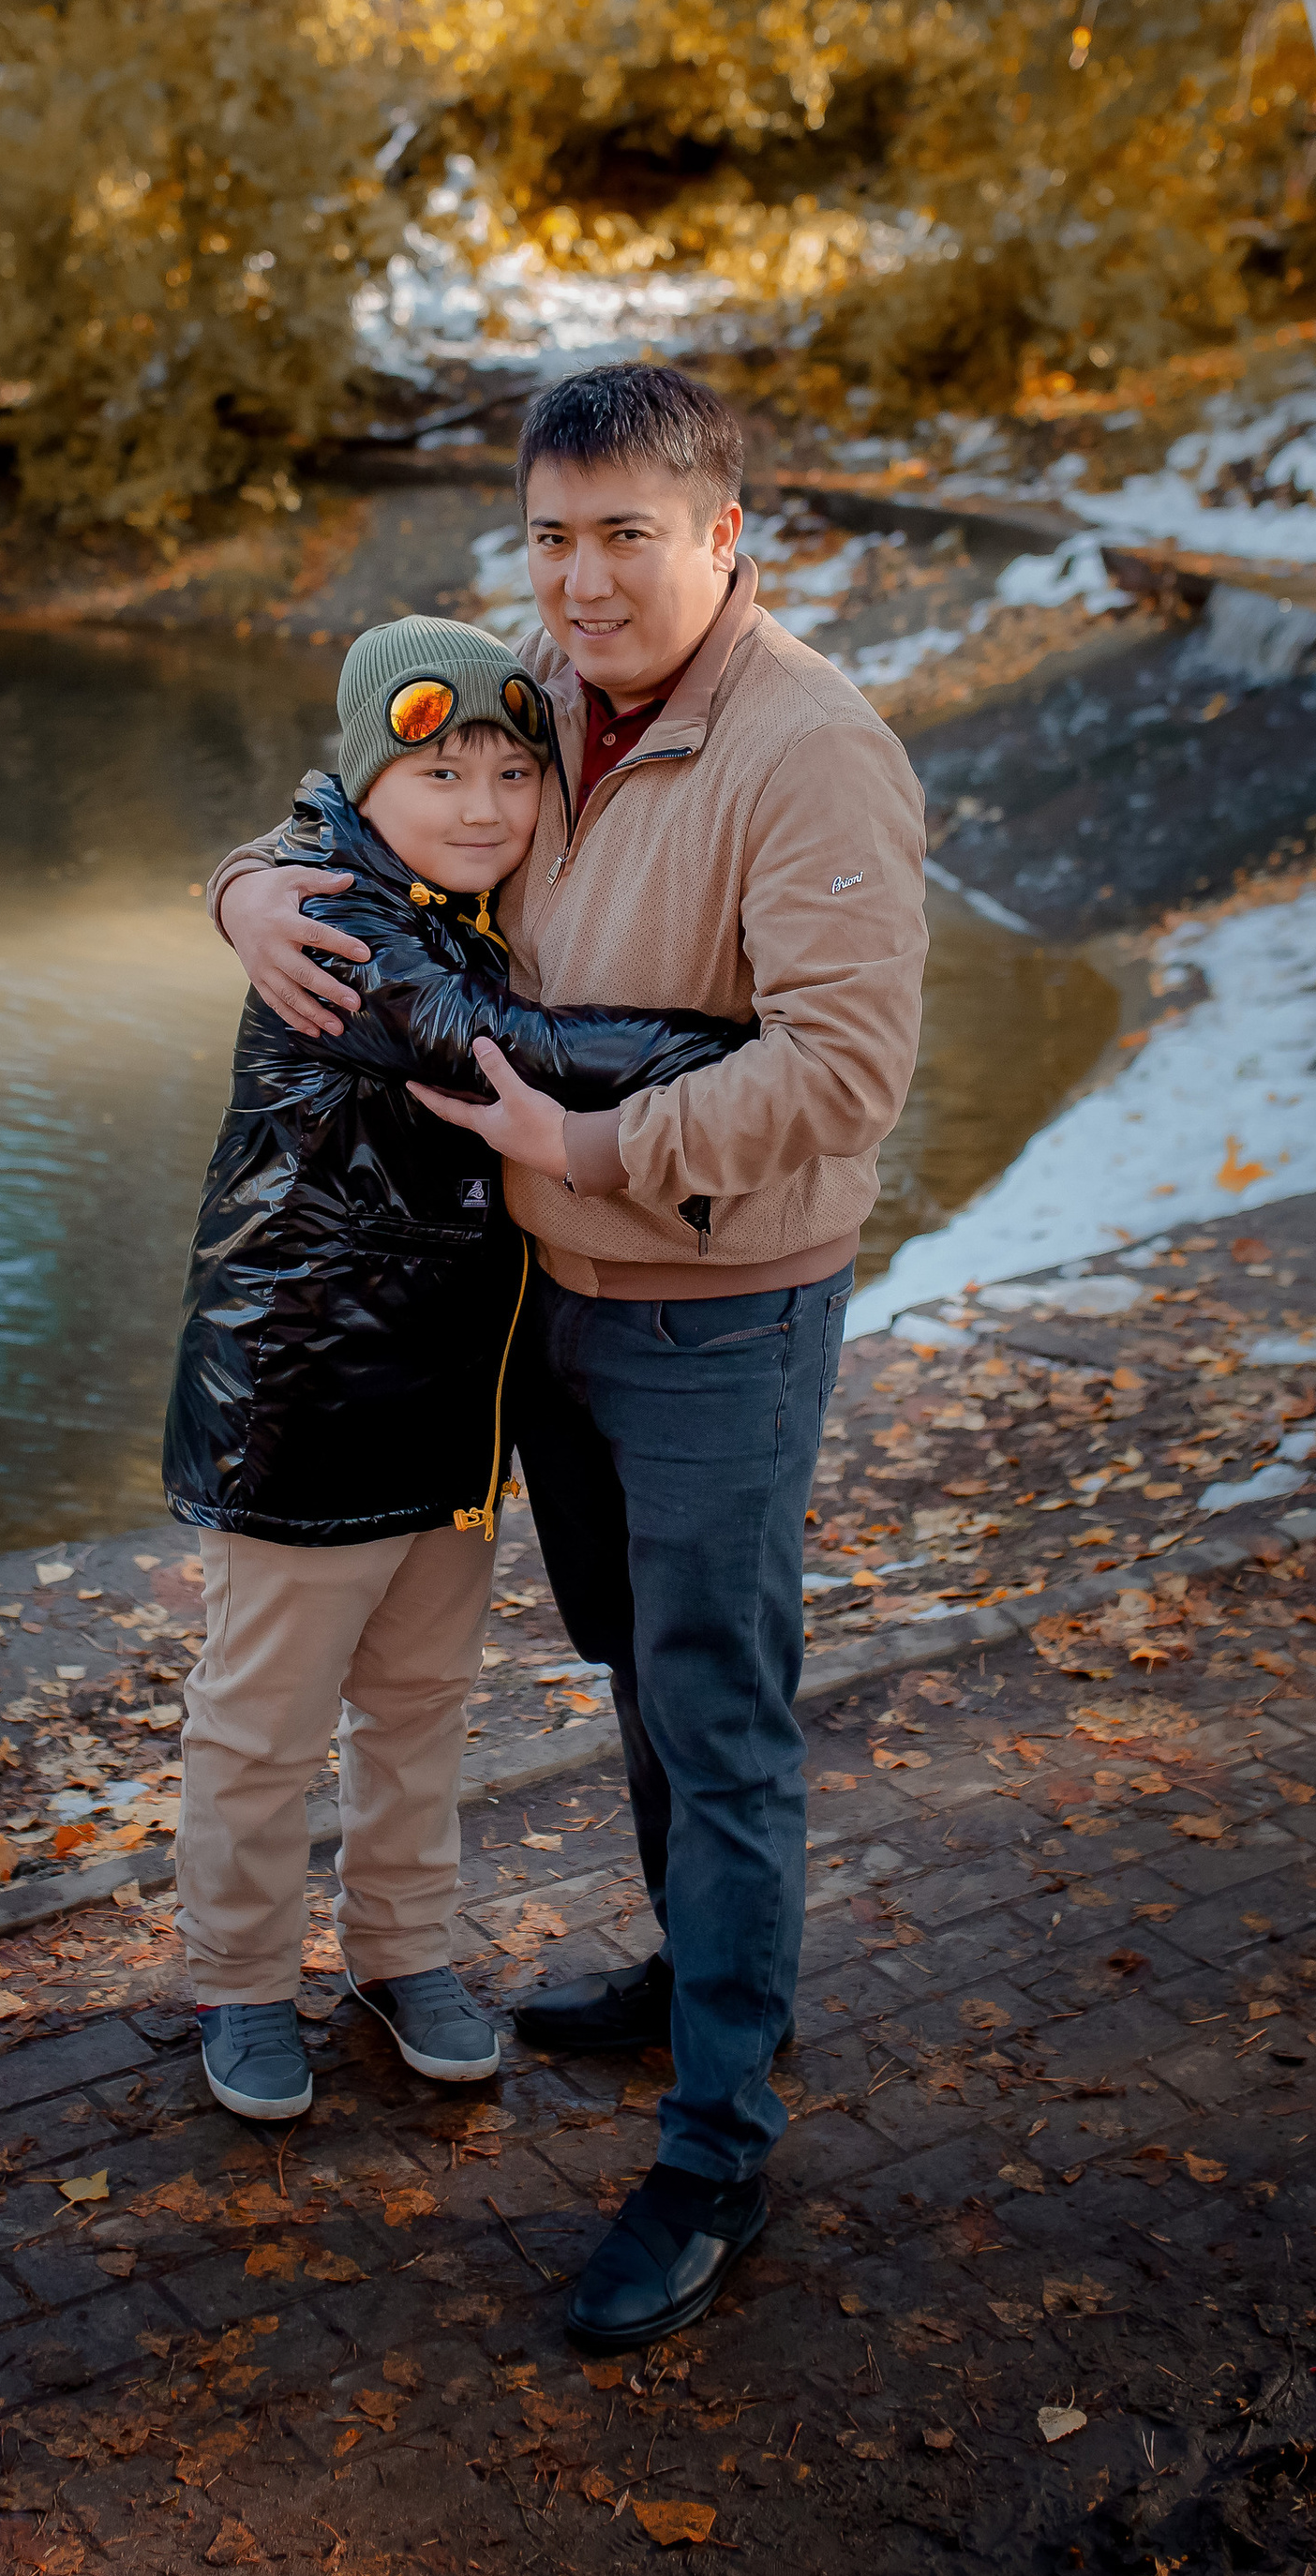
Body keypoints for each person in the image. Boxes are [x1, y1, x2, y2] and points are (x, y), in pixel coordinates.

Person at [213, 362, 926, 2348]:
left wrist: (588, 1143)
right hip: (544, 1312)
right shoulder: (532, 690)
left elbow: (845, 1073)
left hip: (714, 1313)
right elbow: (344, 807)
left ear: (723, 541)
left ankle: (719, 2145)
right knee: (631, 1663)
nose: (583, 581)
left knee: (717, 1714)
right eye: (552, 536)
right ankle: (686, 1978)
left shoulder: (810, 752)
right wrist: (249, 891)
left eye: (628, 536)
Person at [163, 612, 751, 2129]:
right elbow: (495, 1043)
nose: (485, 805)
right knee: (265, 1717)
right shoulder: (344, 922)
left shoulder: (442, 889)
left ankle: (402, 1952)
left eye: (510, 770)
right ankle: (237, 1978)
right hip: (304, 1400)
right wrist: (733, 1051)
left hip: (448, 1405)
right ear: (367, 783)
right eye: (442, 772)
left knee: (421, 1703)